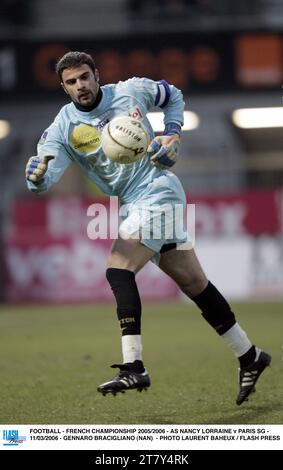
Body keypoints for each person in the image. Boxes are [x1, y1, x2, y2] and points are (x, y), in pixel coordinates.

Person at [25, 51, 271, 406]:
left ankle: (133, 364)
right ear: (64, 88)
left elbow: (172, 95)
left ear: (97, 75)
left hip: (158, 191)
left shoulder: (131, 92)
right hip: (133, 201)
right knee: (194, 284)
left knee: (118, 268)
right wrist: (35, 177)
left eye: (84, 77)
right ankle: (249, 355)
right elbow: (44, 174)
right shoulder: (63, 128)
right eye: (72, 82)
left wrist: (172, 135)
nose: (81, 86)